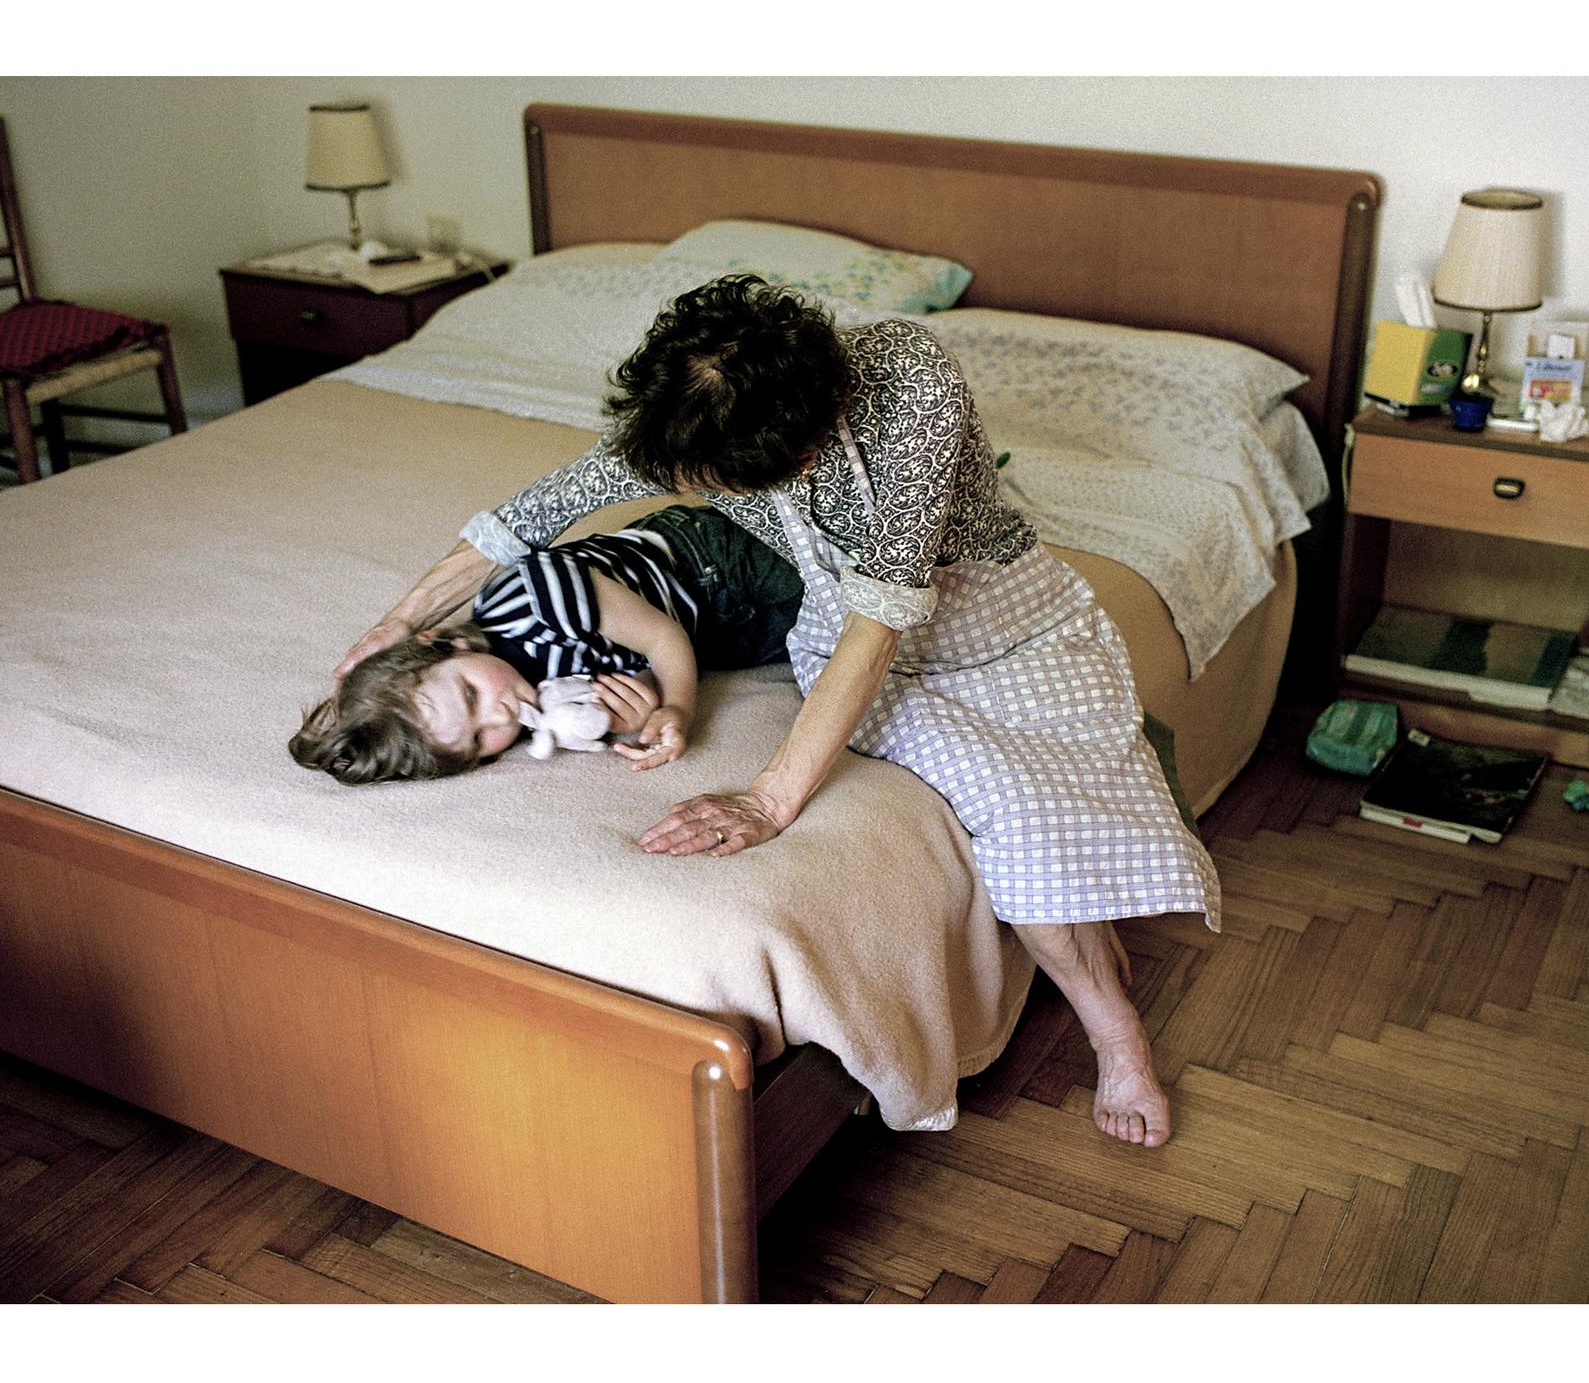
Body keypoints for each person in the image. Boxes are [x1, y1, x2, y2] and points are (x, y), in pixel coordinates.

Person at [336, 276, 1221, 1148]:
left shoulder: (912, 386)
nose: (696, 490)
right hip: (845, 638)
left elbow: (881, 622)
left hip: (993, 620)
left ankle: (1107, 1012)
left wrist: (767, 799)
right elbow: (534, 514)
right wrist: (400, 621)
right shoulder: (695, 409)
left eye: (714, 486)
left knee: (1067, 771)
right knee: (1012, 803)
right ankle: (1112, 1018)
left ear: (796, 460)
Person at [299, 503, 802, 784]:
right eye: (478, 741)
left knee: (837, 581)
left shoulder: (533, 598)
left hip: (704, 563)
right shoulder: (536, 709)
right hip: (712, 637)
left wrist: (677, 709)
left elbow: (660, 636)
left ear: (446, 645)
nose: (499, 717)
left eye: (472, 695)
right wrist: (632, 709)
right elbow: (634, 666)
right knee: (824, 646)